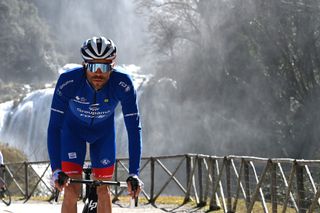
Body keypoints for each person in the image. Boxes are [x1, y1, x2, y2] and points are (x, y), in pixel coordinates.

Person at [47, 36, 143, 213]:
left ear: (112, 66)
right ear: (84, 65)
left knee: (103, 190)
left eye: (104, 66)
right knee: (71, 190)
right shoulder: (68, 81)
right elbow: (54, 127)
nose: (98, 72)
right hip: (72, 132)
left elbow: (134, 129)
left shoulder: (123, 84)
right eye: (92, 66)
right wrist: (56, 169)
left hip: (103, 135)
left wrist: (134, 172)